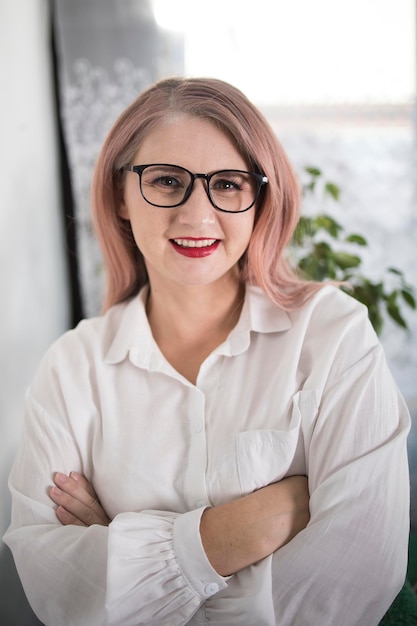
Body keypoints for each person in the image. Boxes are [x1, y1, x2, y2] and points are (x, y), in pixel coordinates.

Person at [3, 77, 410, 626]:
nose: (197, 216)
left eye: (228, 184)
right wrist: (241, 530)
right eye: (167, 181)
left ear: (260, 200)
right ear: (120, 195)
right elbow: (54, 585)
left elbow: (359, 573)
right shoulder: (72, 368)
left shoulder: (332, 334)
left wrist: (127, 562)